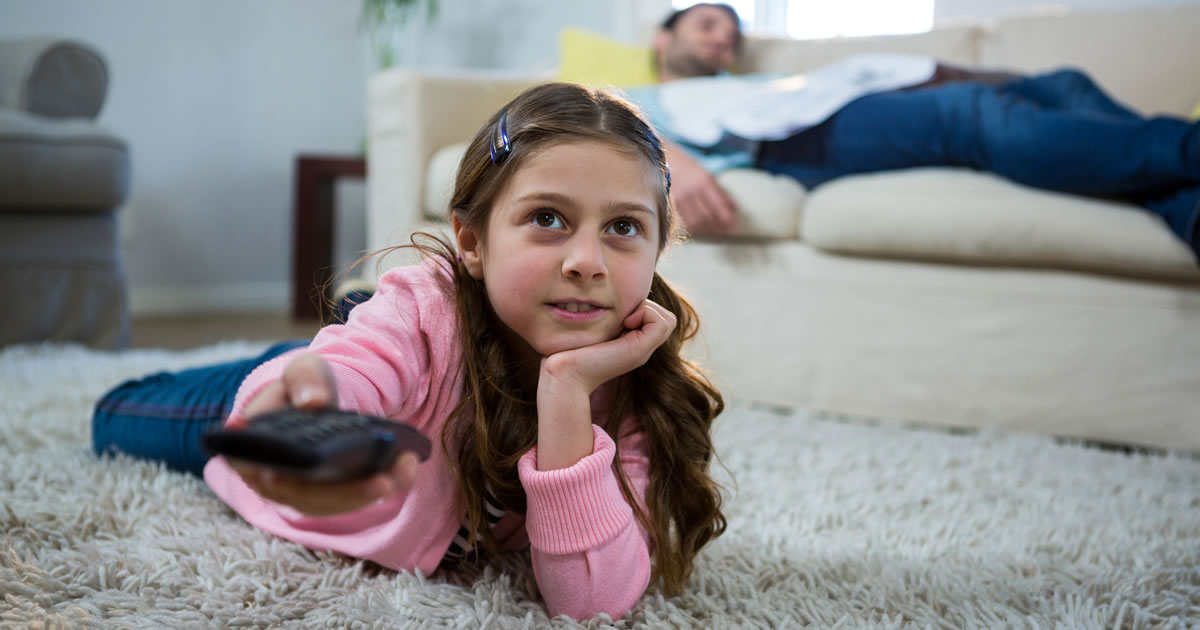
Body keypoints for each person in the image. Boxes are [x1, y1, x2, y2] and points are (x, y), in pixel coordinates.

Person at [91, 83, 727, 621]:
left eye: (623, 227)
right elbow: (355, 375)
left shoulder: (634, 381)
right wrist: (310, 397)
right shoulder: (428, 311)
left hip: (377, 363)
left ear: (655, 250)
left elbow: (592, 605)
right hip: (309, 383)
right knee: (113, 415)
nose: (586, 262)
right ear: (472, 241)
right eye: (548, 219)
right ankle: (290, 352)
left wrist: (566, 390)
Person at [626, 3, 1200, 260]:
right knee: (967, 116)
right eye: (708, 26)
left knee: (1063, 84)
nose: (722, 41)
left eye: (730, 35)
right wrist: (678, 160)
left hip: (833, 104)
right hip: (794, 138)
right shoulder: (639, 99)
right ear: (662, 39)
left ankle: (1188, 208)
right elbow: (600, 125)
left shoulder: (762, 81)